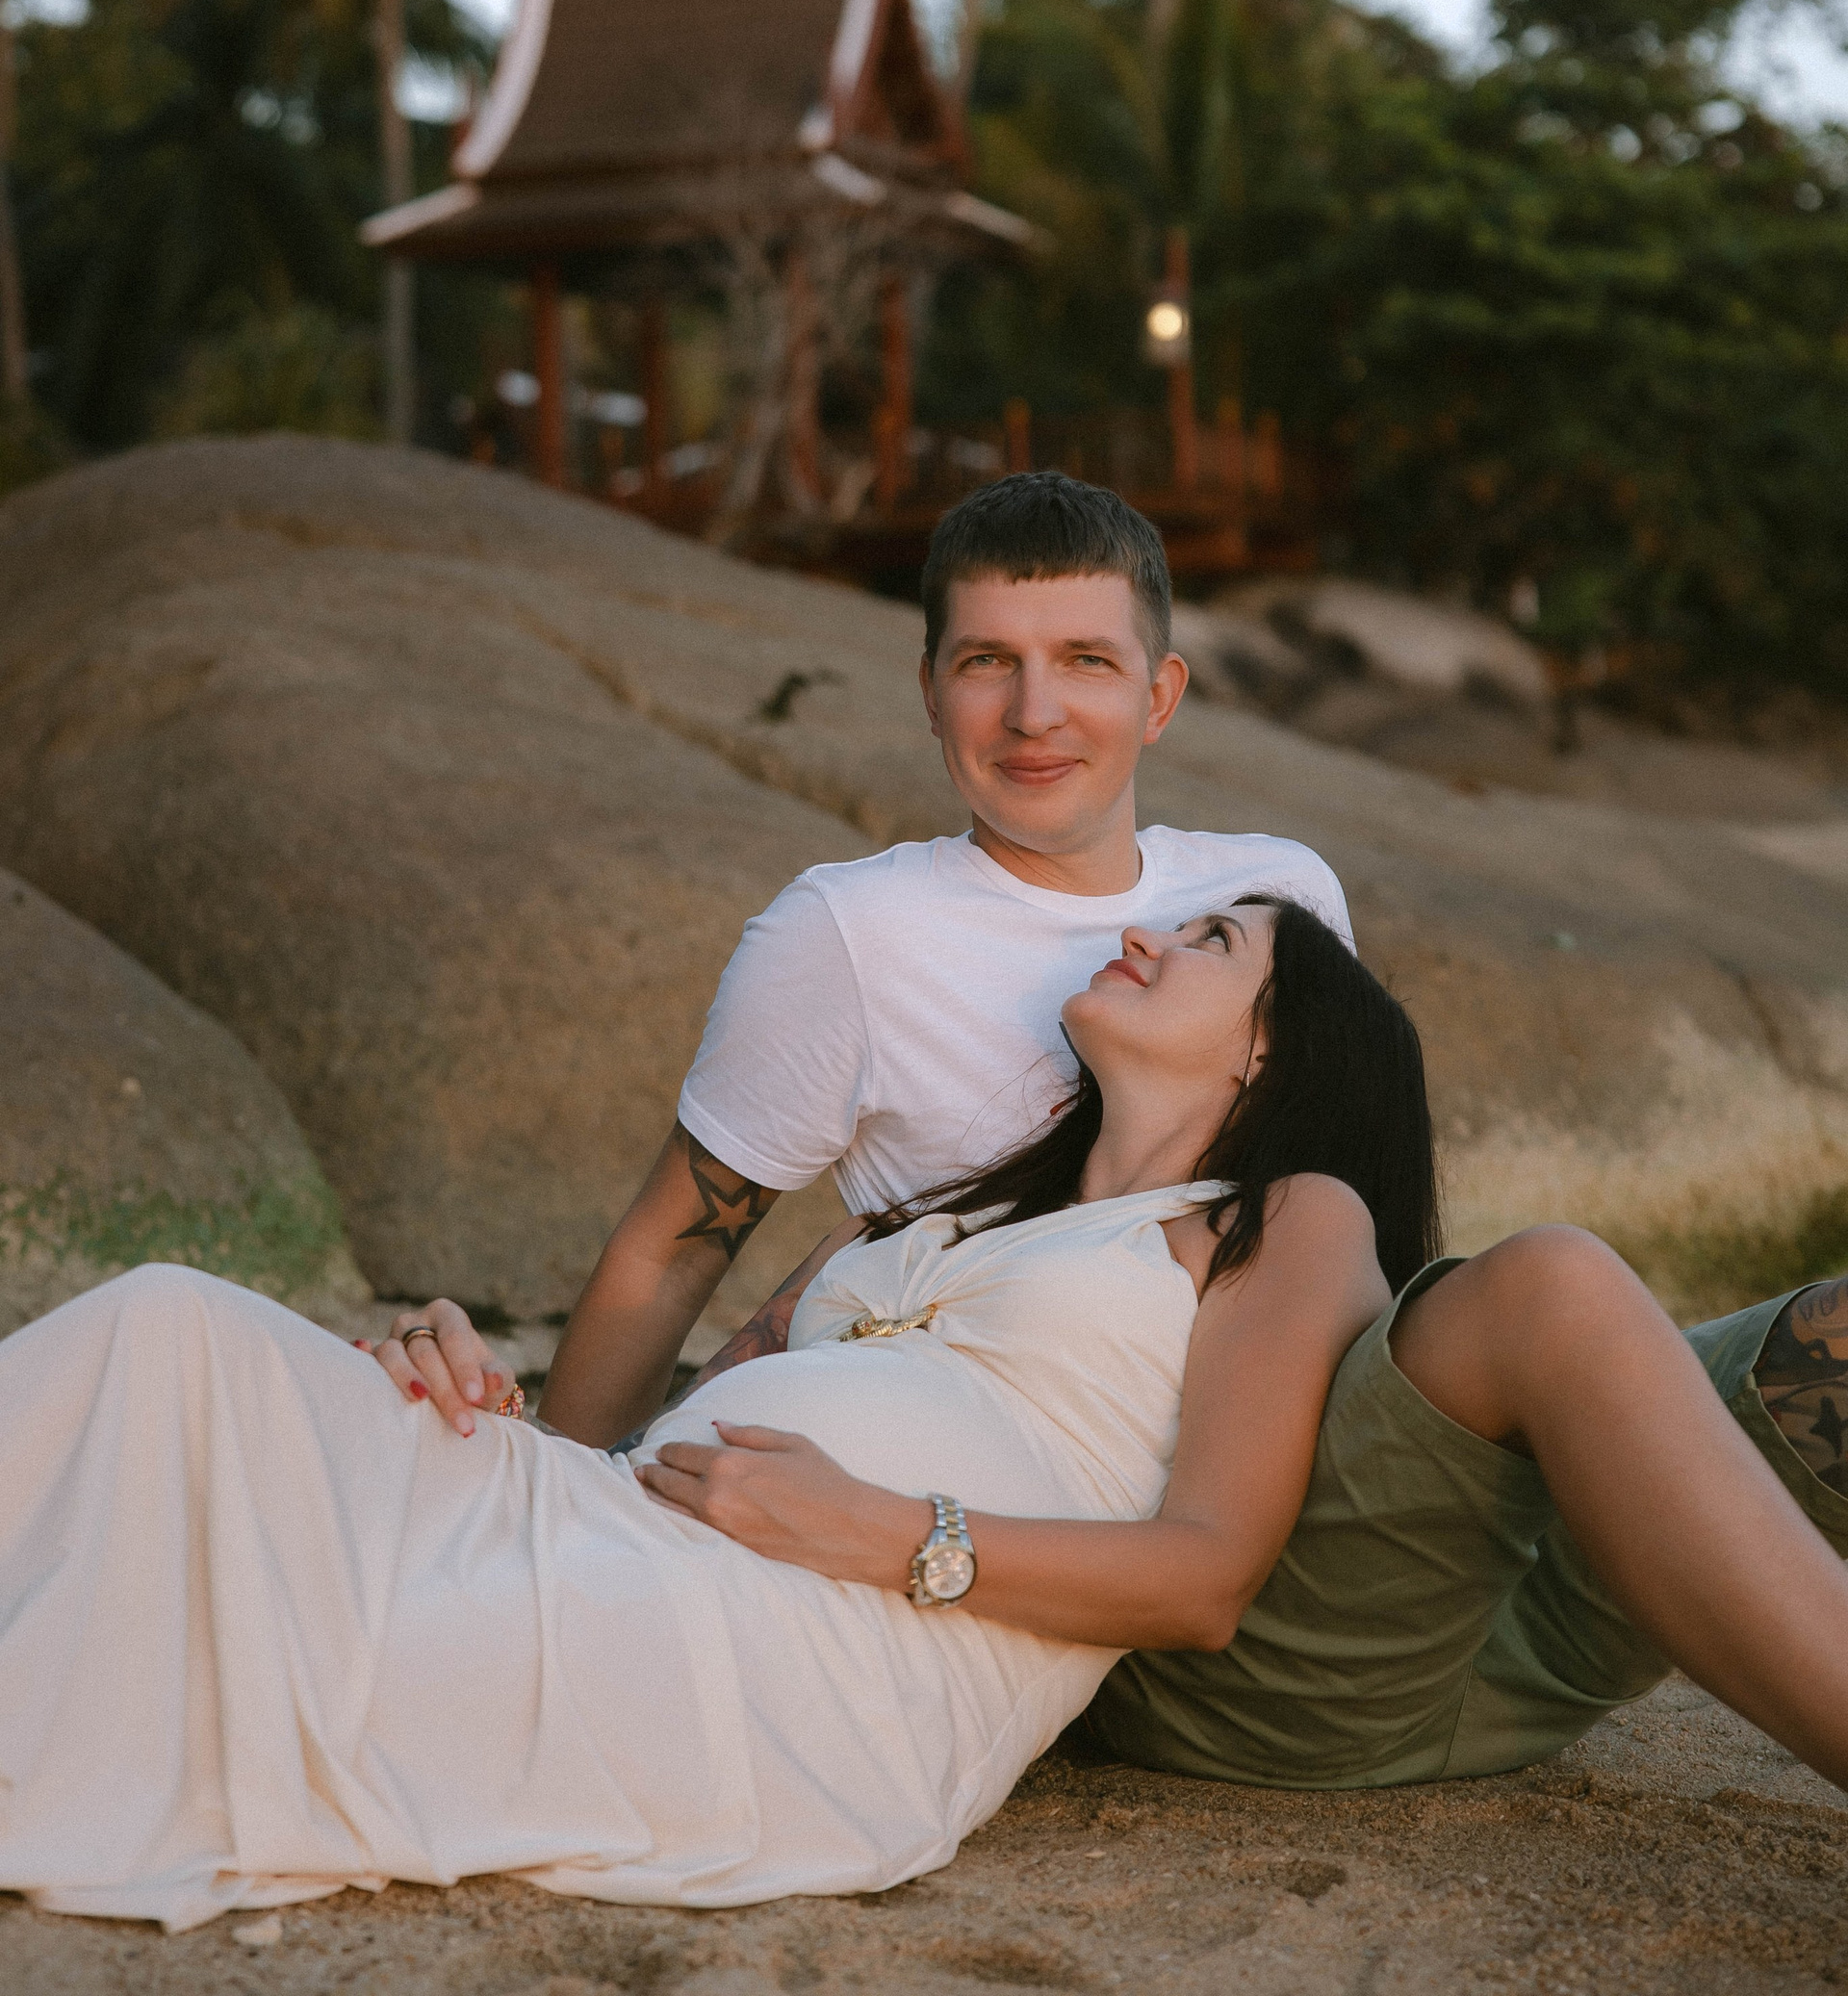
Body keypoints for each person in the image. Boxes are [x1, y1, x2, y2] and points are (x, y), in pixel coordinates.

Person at [4, 905, 1845, 1935]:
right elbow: (705, 1433)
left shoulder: (1278, 1225)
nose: (1150, 933)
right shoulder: (922, 1224)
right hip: (634, 1525)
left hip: (850, 1634)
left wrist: (891, 1535)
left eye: (1211, 939)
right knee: (175, 1334)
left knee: (277, 1643)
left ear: (1270, 1048)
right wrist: (472, 1391)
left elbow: (1208, 1573)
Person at [457, 472, 1351, 1453]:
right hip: (968, 1466)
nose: (1034, 712)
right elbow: (668, 1259)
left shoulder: (1277, 897)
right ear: (930, 692)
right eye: (987, 662)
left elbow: (1349, 1199)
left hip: (1252, 1452)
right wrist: (554, 1486)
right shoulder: (849, 933)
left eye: (1087, 661)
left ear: (1160, 696)